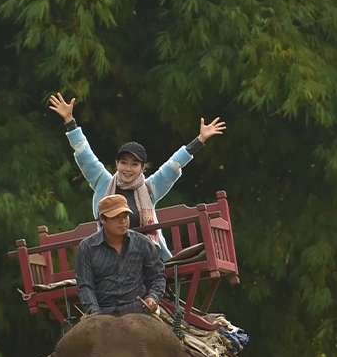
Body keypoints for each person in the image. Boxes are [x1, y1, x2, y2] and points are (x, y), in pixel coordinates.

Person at [47, 92, 226, 242]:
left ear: (142, 169)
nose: (128, 168)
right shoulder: (104, 183)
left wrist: (200, 140)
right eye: (123, 162)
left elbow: (173, 166)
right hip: (109, 254)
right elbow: (85, 154)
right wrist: (70, 121)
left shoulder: (149, 189)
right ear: (117, 164)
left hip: (145, 255)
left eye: (134, 164)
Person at [75, 194, 170, 317]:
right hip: (103, 313)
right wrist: (94, 312)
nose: (123, 221)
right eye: (116, 217)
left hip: (139, 309)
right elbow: (85, 285)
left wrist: (152, 297)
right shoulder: (86, 248)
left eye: (125, 216)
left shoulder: (143, 242)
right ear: (102, 220)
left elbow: (157, 276)